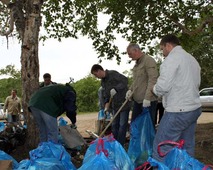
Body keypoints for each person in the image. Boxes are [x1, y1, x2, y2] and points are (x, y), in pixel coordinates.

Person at [152, 34, 202, 162]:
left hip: (178, 111)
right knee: (186, 146)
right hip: (194, 108)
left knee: (161, 147)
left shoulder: (171, 59)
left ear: (168, 45)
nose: (163, 53)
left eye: (162, 49)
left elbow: (162, 87)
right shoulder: (192, 59)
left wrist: (154, 89)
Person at [91, 64, 130, 146]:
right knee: (114, 125)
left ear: (99, 70)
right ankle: (114, 143)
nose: (96, 76)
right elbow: (106, 95)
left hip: (123, 103)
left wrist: (116, 88)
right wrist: (106, 105)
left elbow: (125, 80)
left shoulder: (113, 74)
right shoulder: (103, 82)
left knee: (122, 125)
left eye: (95, 74)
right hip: (114, 106)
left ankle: (120, 145)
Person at [126, 43, 158, 126]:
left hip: (148, 102)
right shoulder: (137, 64)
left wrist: (147, 98)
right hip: (137, 101)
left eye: (130, 53)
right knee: (135, 126)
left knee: (147, 128)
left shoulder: (148, 60)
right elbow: (137, 81)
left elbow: (153, 80)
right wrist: (130, 90)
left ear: (136, 50)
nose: (129, 56)